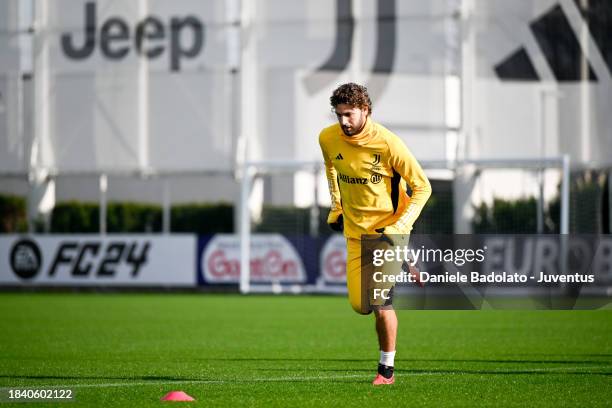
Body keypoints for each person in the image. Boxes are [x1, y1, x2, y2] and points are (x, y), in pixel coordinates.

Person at [318, 83, 431, 385]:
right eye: (339, 115)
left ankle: (386, 370)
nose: (343, 121)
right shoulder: (328, 138)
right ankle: (405, 261)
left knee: (380, 303)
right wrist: (336, 206)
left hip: (388, 232)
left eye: (349, 114)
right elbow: (331, 168)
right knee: (360, 305)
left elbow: (423, 188)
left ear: (365, 110)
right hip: (355, 234)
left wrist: (400, 226)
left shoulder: (388, 144)